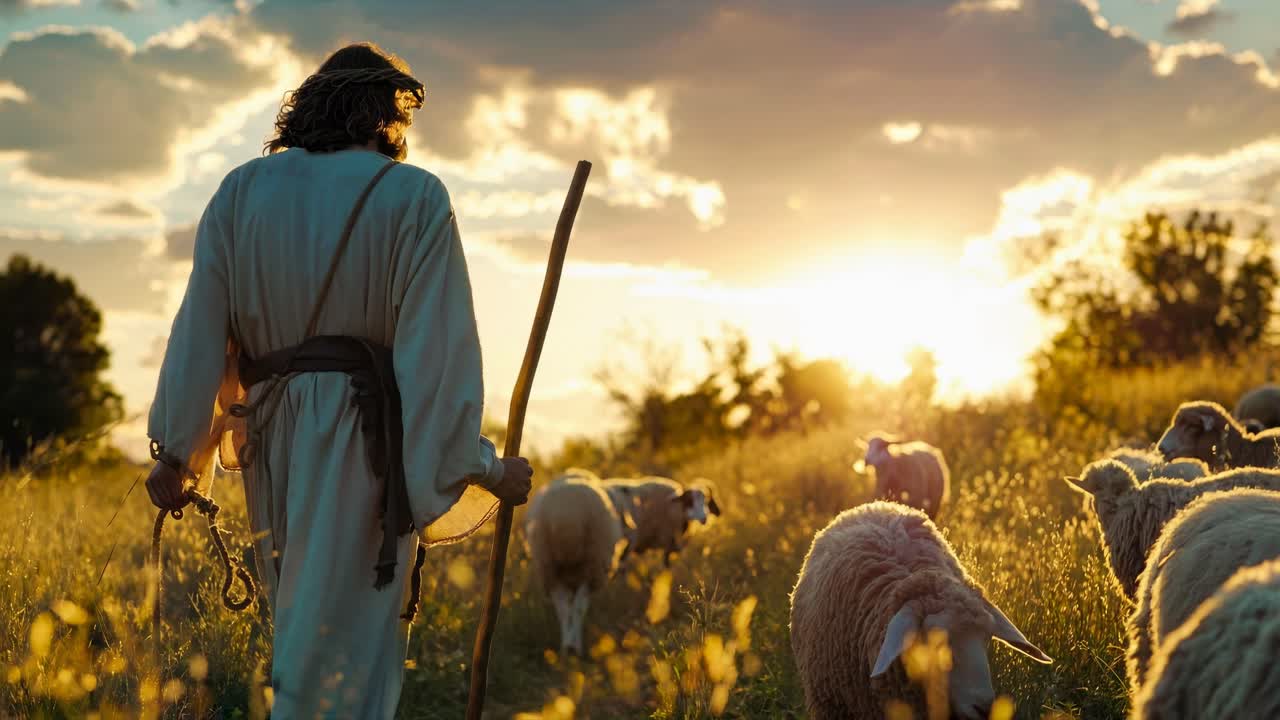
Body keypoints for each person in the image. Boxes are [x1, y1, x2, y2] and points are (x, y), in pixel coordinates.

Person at [144, 42, 533, 718]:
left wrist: (179, 450)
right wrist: (485, 467)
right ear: (385, 111)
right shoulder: (413, 196)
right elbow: (434, 359)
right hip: (364, 438)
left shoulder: (242, 189)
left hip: (270, 433)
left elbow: (199, 332)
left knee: (298, 632)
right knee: (343, 653)